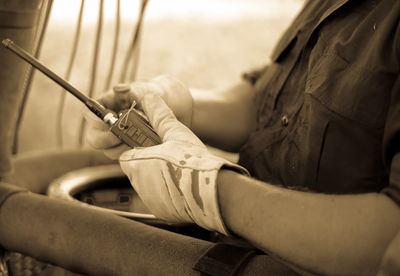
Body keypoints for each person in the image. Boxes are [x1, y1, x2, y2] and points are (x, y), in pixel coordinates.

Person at [86, 0, 400, 274]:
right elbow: (272, 105)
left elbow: (390, 242)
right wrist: (175, 106)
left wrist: (211, 191)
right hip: (232, 250)